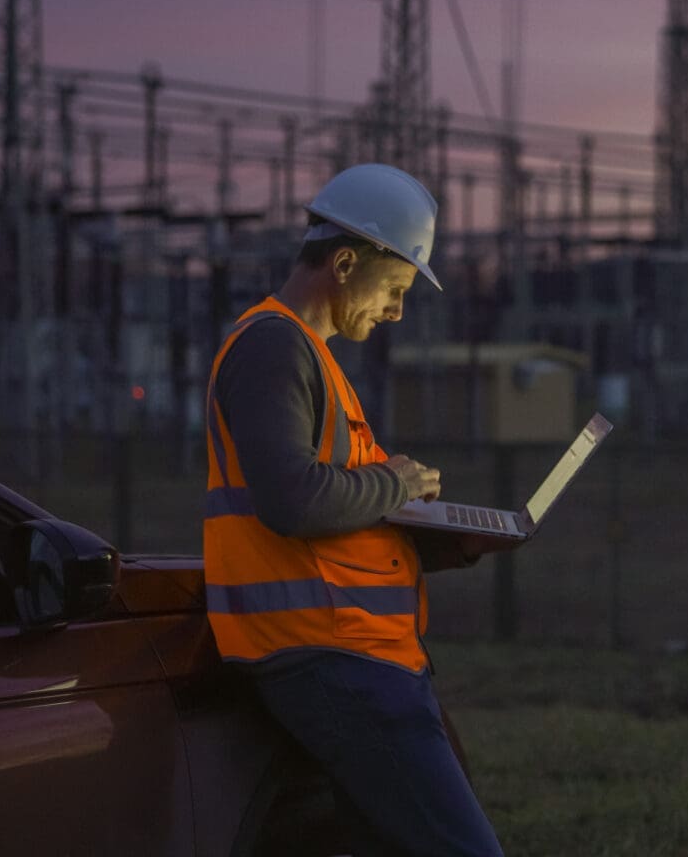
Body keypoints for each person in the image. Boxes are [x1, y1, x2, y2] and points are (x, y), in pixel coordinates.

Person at [202, 163, 501, 857]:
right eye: (395, 288)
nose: (397, 310)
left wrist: (441, 542)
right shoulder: (274, 346)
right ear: (343, 262)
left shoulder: (308, 355)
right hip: (334, 657)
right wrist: (394, 482)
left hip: (356, 653)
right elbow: (293, 499)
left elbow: (333, 518)